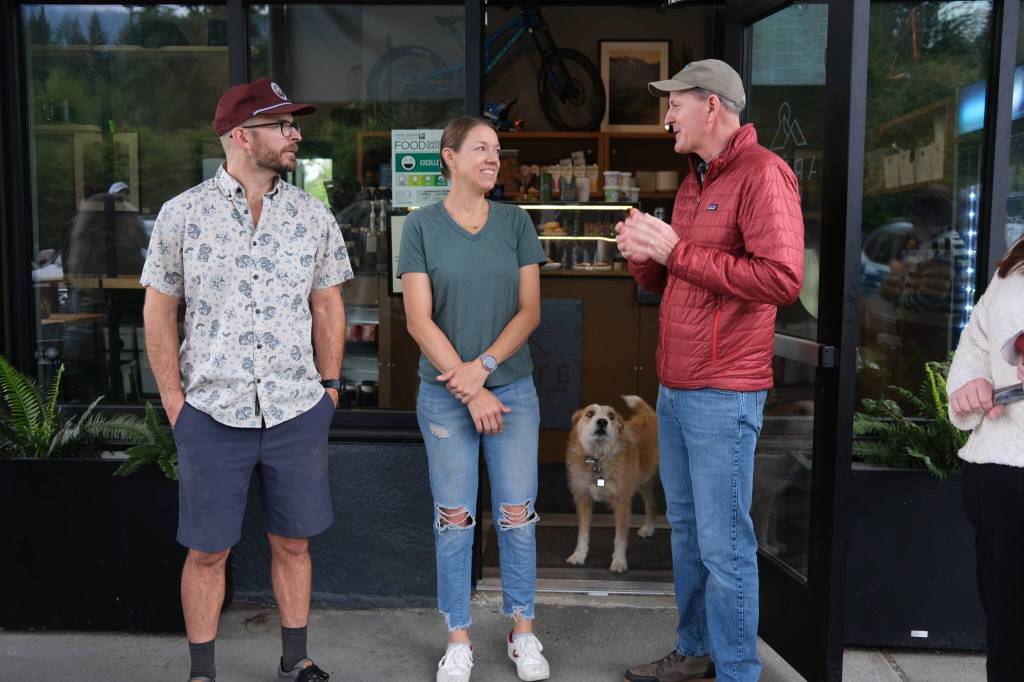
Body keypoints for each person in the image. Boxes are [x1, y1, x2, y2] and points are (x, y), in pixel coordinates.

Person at [140, 77, 352, 682]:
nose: (296, 134)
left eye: (293, 124)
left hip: (294, 406)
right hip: (210, 410)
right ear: (240, 135)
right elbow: (159, 309)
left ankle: (295, 659)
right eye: (282, 125)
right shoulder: (183, 215)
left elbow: (328, 304)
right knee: (207, 550)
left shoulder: (312, 216)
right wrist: (176, 401)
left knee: (294, 543)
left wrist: (329, 389)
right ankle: (203, 671)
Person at [615, 60, 804, 682]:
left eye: (675, 104)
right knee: (690, 532)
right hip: (678, 387)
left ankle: (737, 670)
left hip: (724, 391)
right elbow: (680, 276)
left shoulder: (764, 174)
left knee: (725, 546)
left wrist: (675, 249)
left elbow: (780, 279)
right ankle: (696, 651)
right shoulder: (694, 181)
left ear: (711, 108)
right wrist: (645, 258)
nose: (666, 115)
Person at [397, 116, 549, 682]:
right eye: (481, 148)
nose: (493, 157)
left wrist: (482, 371)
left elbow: (530, 310)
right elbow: (417, 319)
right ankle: (457, 637)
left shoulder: (515, 223)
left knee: (517, 515)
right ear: (449, 157)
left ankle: (523, 632)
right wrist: (465, 383)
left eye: (497, 150)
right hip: (444, 396)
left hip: (509, 391)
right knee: (454, 518)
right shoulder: (421, 228)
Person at [948, 237, 1024, 682]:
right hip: (1000, 466)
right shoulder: (1017, 259)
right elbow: (977, 336)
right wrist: (972, 379)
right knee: (1008, 628)